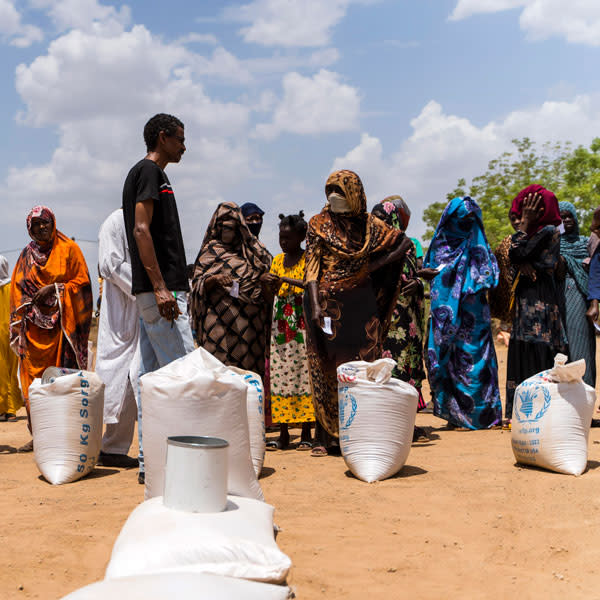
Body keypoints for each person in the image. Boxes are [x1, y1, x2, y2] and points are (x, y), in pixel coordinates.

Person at [304, 170, 412, 456]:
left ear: (354, 194)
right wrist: (315, 306)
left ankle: (360, 430)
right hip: (328, 309)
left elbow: (404, 243)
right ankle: (325, 437)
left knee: (361, 366)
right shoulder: (318, 224)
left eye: (339, 191)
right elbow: (312, 269)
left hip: (362, 308)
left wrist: (372, 268)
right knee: (327, 368)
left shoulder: (370, 226)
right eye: (329, 191)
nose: (333, 198)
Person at [122, 113, 195, 483]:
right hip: (160, 293)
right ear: (163, 137)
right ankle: (180, 466)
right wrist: (162, 286)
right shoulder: (148, 173)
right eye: (180, 138)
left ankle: (151, 464)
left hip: (155, 292)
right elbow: (141, 229)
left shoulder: (153, 175)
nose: (184, 145)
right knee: (182, 375)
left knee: (150, 377)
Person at [10, 206, 92, 452]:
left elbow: (83, 284)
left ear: (53, 223)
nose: (42, 228)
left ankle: (64, 435)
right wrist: (28, 308)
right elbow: (17, 290)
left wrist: (56, 289)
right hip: (33, 335)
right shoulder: (25, 256)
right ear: (30, 229)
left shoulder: (69, 249)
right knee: (35, 386)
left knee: (60, 382)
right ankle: (40, 436)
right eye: (36, 225)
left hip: (62, 333)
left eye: (45, 223)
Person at [424, 196, 502, 430]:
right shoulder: (440, 247)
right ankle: (455, 416)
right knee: (450, 364)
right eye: (461, 218)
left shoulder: (477, 244)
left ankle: (481, 415)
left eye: (470, 219)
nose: (466, 223)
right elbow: (434, 277)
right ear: (451, 219)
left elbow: (490, 277)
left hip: (474, 320)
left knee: (476, 363)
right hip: (446, 322)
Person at [505, 185, 567, 427]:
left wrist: (524, 228)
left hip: (540, 302)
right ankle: (520, 415)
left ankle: (540, 415)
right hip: (527, 301)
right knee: (524, 349)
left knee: (539, 350)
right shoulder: (531, 235)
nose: (522, 216)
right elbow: (513, 256)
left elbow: (518, 253)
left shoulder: (550, 231)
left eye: (528, 211)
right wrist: (521, 260)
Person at [191, 202, 276, 377]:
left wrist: (259, 279)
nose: (227, 231)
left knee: (247, 378)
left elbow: (265, 272)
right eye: (224, 227)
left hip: (250, 329)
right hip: (218, 325)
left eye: (232, 227)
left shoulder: (250, 251)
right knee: (219, 377)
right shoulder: (210, 251)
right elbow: (197, 283)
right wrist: (213, 279)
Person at [371, 197, 428, 411]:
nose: (379, 224)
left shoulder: (409, 247)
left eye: (383, 219)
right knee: (385, 368)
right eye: (375, 220)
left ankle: (407, 422)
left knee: (407, 365)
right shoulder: (371, 249)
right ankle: (388, 419)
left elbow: (415, 274)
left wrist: (418, 283)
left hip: (406, 318)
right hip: (382, 317)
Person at [95, 209, 139, 469]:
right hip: (121, 310)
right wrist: (146, 287)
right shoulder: (114, 221)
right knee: (117, 378)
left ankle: (118, 447)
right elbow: (110, 265)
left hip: (145, 310)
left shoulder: (152, 219)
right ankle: (111, 447)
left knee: (138, 378)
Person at [266, 212, 314, 451]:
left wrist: (282, 279)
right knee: (281, 376)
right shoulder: (276, 260)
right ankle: (284, 434)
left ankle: (306, 431)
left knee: (304, 375)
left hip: (302, 325)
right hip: (281, 325)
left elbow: (309, 284)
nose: (283, 242)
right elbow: (272, 289)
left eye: (288, 238)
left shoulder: (308, 259)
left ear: (301, 237)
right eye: (281, 237)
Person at [558, 201, 596, 388]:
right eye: (562, 217)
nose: (566, 220)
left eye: (569, 216)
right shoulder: (553, 244)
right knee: (561, 351)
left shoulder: (585, 243)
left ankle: (585, 395)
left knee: (582, 347)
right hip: (557, 299)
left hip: (580, 299)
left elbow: (595, 272)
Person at [489, 210, 522, 346]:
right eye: (512, 219)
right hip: (514, 305)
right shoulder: (505, 244)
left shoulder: (540, 239)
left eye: (519, 218)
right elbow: (499, 276)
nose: (516, 222)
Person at [0, 256, 22, 422]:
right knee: (11, 371)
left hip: (7, 334)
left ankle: (6, 408)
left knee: (3, 372)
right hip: (13, 334)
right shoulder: (13, 286)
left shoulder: (12, 287)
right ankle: (11, 408)